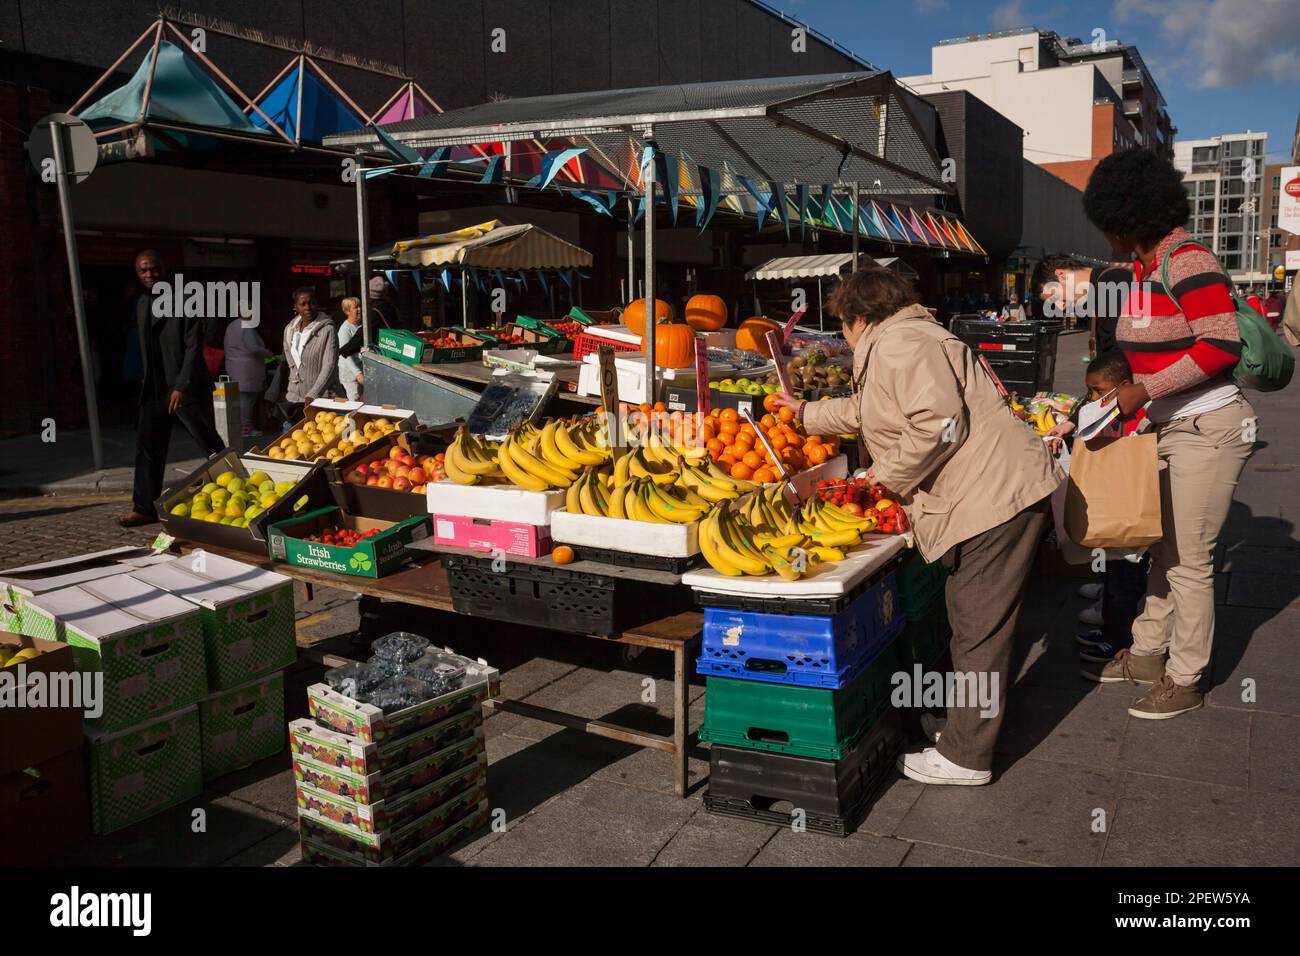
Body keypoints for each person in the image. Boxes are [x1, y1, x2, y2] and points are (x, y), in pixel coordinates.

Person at [772, 267, 1062, 786]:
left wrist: (878, 478)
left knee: (979, 628)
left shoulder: (901, 343)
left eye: (843, 323)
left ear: (860, 317)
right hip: (994, 489)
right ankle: (962, 726)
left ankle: (967, 758)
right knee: (971, 617)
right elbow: (874, 408)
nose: (843, 334)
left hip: (992, 496)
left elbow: (938, 424)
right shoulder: (909, 336)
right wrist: (807, 415)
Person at [1079, 148, 1254, 719]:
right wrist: (1121, 405)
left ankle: (1186, 677)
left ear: (1127, 215)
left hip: (1209, 426)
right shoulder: (1144, 267)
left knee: (1190, 563)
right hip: (1170, 425)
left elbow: (1220, 342)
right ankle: (1149, 651)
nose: (1104, 231)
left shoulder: (1187, 260)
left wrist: (1142, 392)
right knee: (1164, 548)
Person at [1045, 352, 1151, 666]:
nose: (1091, 397)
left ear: (1124, 385)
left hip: (1126, 516)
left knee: (1122, 582)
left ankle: (1117, 642)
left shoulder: (1133, 415)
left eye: (1097, 390)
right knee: (1117, 574)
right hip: (1118, 512)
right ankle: (1113, 628)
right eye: (1089, 390)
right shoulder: (1108, 409)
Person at [119, 250, 225, 527]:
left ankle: (238, 487)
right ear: (137, 273)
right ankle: (143, 507)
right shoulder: (141, 302)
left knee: (209, 443)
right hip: (152, 388)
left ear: (164, 268)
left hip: (182, 387)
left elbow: (193, 347)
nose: (149, 275)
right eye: (143, 271)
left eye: (153, 269)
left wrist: (181, 385)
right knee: (147, 448)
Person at [1032, 255, 1135, 358]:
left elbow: (1123, 355)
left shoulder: (1113, 283)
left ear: (1061, 275)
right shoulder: (1102, 287)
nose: (1060, 307)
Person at [281, 287, 339, 426]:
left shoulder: (327, 329)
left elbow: (329, 365)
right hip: (295, 400)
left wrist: (314, 393)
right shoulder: (289, 330)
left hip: (321, 400)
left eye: (311, 303)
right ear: (295, 307)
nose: (308, 307)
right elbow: (290, 363)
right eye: (303, 304)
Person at [223, 310, 272, 439]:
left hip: (234, 367)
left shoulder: (232, 325)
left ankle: (241, 427)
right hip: (248, 369)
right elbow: (254, 348)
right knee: (247, 401)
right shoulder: (247, 326)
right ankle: (245, 429)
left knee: (240, 401)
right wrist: (268, 353)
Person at [338, 296, 364, 401]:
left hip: (360, 370)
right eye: (356, 307)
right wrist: (358, 373)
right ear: (347, 311)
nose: (359, 309)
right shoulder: (345, 329)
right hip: (350, 373)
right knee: (354, 402)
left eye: (360, 306)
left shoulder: (360, 325)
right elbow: (345, 355)